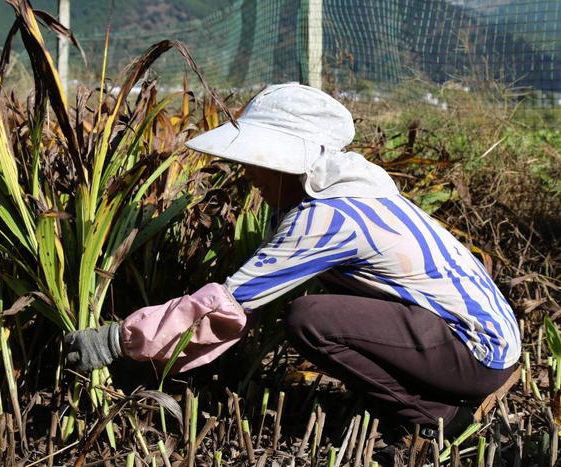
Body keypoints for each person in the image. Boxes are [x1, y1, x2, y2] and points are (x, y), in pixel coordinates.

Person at [64, 83, 520, 445]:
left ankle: (441, 418)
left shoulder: (329, 216)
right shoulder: (348, 188)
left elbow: (229, 301)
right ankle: (442, 394)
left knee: (311, 318)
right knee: (321, 309)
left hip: (477, 352)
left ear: (288, 163)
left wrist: (115, 341)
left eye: (257, 162)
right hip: (485, 341)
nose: (249, 173)